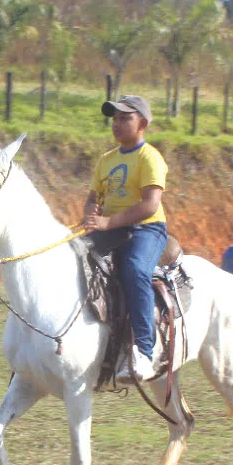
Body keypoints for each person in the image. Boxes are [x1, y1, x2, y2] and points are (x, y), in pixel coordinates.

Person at [81, 95, 169, 382]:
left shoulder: (150, 157)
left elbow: (149, 205)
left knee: (134, 270)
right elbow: (93, 198)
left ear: (142, 123)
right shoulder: (107, 160)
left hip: (147, 229)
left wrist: (108, 221)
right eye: (115, 118)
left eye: (125, 118)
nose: (117, 124)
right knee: (74, 258)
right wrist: (90, 213)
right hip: (111, 230)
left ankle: (145, 350)